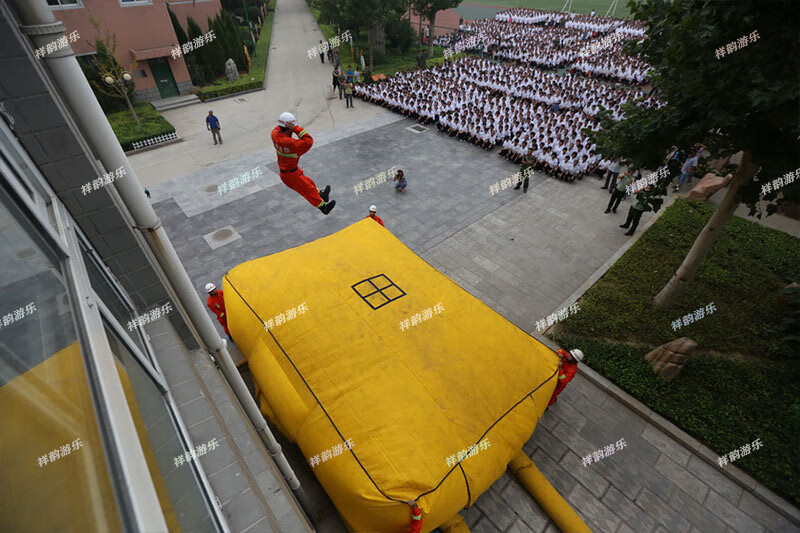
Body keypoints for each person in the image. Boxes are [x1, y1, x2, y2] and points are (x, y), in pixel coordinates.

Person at [271, 112, 336, 214]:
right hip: (290, 175)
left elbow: (278, 127)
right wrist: (296, 128)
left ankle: (321, 194)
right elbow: (308, 141)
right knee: (308, 191)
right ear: (289, 128)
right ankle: (324, 208)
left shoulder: (274, 135)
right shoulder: (292, 144)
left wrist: (288, 125)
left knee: (309, 182)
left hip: (291, 172)